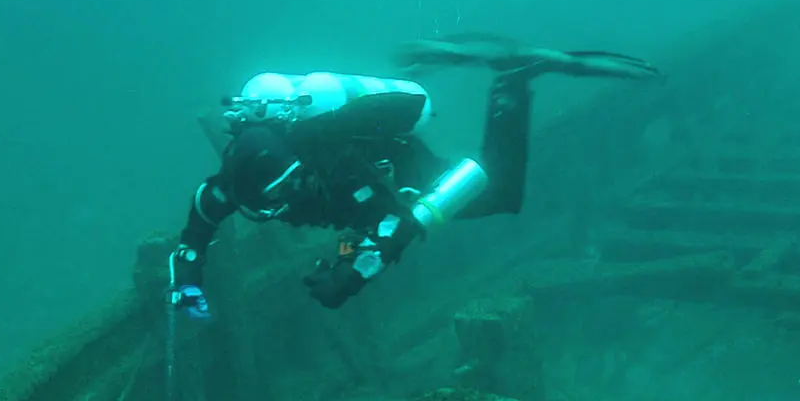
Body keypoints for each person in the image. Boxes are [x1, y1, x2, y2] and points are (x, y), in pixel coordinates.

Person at [169, 38, 660, 315]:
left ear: (294, 167)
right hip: (363, 192)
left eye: (284, 191)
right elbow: (198, 225)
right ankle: (482, 76)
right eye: (267, 203)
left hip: (400, 171)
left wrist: (348, 277)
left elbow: (390, 227)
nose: (280, 208)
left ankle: (511, 84)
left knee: (500, 192)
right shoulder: (233, 180)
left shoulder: (341, 172)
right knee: (365, 223)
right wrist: (186, 281)